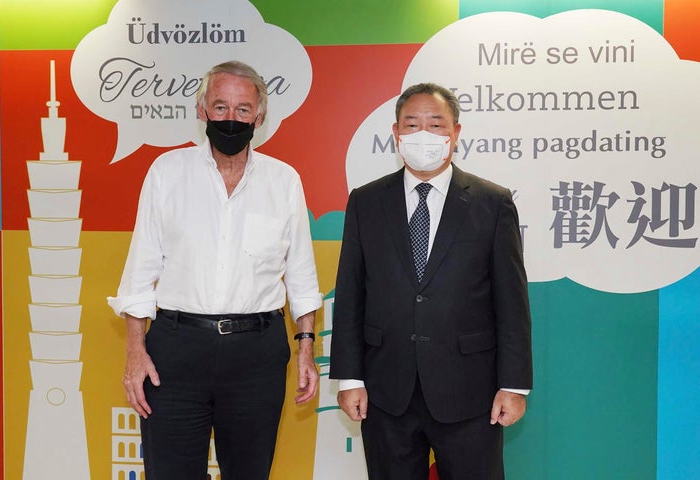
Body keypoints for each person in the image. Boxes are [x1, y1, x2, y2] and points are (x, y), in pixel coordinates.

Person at [107, 60, 322, 480]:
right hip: (175, 351)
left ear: (259, 117)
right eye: (220, 106)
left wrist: (306, 349)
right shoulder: (166, 173)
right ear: (201, 110)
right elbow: (139, 271)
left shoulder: (284, 181)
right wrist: (135, 352)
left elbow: (301, 275)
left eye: (243, 109)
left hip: (256, 355)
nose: (231, 118)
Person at [329, 82, 533, 480]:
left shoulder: (492, 203)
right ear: (396, 134)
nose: (423, 135)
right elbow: (351, 292)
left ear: (456, 133)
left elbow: (512, 301)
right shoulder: (367, 201)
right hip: (386, 392)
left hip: (470, 392)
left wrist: (515, 385)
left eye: (436, 124)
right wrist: (350, 378)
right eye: (412, 124)